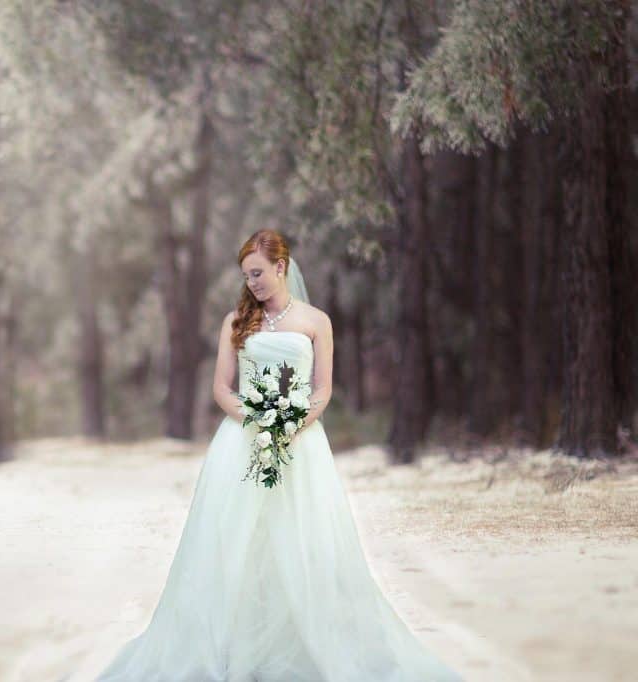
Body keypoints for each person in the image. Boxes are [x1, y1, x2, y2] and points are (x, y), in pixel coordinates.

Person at [92, 229, 463, 681]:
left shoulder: (316, 322)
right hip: (239, 445)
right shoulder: (235, 322)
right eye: (247, 276)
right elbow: (220, 388)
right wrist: (255, 419)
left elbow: (323, 390)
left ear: (281, 267)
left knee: (299, 539)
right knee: (236, 543)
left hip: (300, 446)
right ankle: (233, 644)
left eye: (259, 273)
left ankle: (302, 643)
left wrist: (289, 423)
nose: (253, 284)